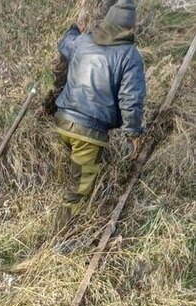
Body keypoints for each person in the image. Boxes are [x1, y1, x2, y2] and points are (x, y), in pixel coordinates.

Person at [53, 0, 146, 229]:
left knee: (76, 175)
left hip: (63, 121)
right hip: (89, 131)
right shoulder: (129, 55)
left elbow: (65, 43)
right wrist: (133, 133)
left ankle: (62, 223)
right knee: (79, 191)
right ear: (128, 28)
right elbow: (131, 100)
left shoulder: (83, 40)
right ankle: (60, 241)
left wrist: (74, 28)